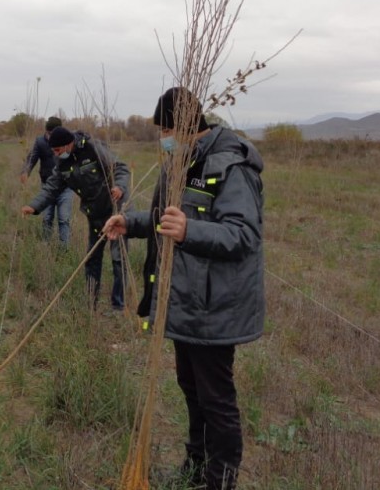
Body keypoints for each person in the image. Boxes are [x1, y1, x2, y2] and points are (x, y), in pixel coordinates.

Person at [104, 87, 265, 490]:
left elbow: (243, 235)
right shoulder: (184, 162)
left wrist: (191, 230)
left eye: (165, 129)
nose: (163, 139)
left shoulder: (231, 166)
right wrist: (134, 223)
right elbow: (166, 217)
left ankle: (220, 481)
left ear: (181, 127)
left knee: (217, 401)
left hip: (214, 307)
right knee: (191, 390)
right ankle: (194, 470)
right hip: (185, 301)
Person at [21, 126, 131, 310]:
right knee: (92, 258)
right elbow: (51, 187)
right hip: (94, 213)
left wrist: (119, 186)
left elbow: (120, 167)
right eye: (53, 151)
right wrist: (33, 206)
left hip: (116, 210)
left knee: (118, 258)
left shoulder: (93, 148)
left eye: (57, 150)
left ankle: (118, 305)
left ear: (68, 144)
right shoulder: (62, 164)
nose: (55, 154)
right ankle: (91, 304)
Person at [19, 116, 74, 245]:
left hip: (66, 188)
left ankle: (64, 249)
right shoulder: (40, 142)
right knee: (47, 217)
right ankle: (45, 246)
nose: (51, 137)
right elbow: (31, 158)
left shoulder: (67, 142)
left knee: (64, 219)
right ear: (46, 131)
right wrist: (26, 171)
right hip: (47, 186)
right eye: (49, 134)